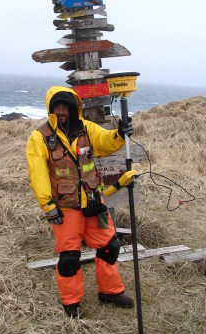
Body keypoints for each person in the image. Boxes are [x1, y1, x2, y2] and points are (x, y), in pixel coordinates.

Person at [26, 86, 134, 318]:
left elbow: (104, 141)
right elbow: (38, 173)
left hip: (95, 202)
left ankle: (110, 291)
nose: (62, 111)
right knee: (69, 259)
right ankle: (71, 303)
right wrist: (48, 206)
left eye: (66, 106)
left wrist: (119, 134)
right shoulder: (40, 137)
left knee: (110, 246)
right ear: (51, 109)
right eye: (58, 107)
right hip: (65, 208)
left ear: (74, 107)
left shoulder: (86, 128)